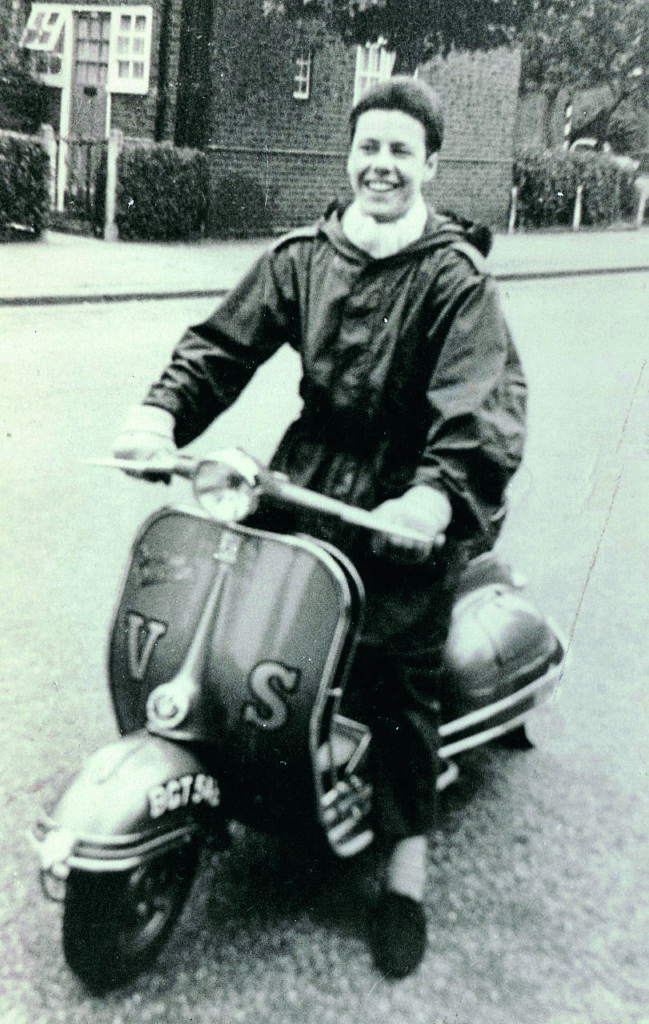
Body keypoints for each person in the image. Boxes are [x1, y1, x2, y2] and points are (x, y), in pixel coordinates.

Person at [112, 76, 527, 979]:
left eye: (399, 152)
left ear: (429, 166)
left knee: (396, 670)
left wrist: (433, 498)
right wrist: (159, 416)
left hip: (404, 497)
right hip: (309, 476)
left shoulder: (456, 279)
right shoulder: (306, 253)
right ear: (350, 155)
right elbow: (222, 347)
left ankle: (405, 880)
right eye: (368, 147)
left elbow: (481, 408)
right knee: (233, 599)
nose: (381, 165)